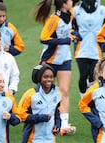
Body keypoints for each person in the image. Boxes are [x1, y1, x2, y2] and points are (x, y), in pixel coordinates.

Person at [33, 0, 76, 135]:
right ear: (63, 4)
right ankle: (40, 118)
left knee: (64, 91)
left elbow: (73, 30)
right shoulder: (54, 19)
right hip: (50, 59)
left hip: (65, 59)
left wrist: (75, 35)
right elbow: (43, 38)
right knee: (44, 90)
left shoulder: (71, 15)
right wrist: (65, 40)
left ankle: (63, 124)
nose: (72, 2)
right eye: (69, 1)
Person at [71, 0, 105, 96]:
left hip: (97, 50)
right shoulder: (75, 10)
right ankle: (83, 98)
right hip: (81, 49)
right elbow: (67, 25)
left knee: (93, 76)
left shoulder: (103, 10)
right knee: (83, 75)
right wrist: (74, 35)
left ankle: (90, 89)